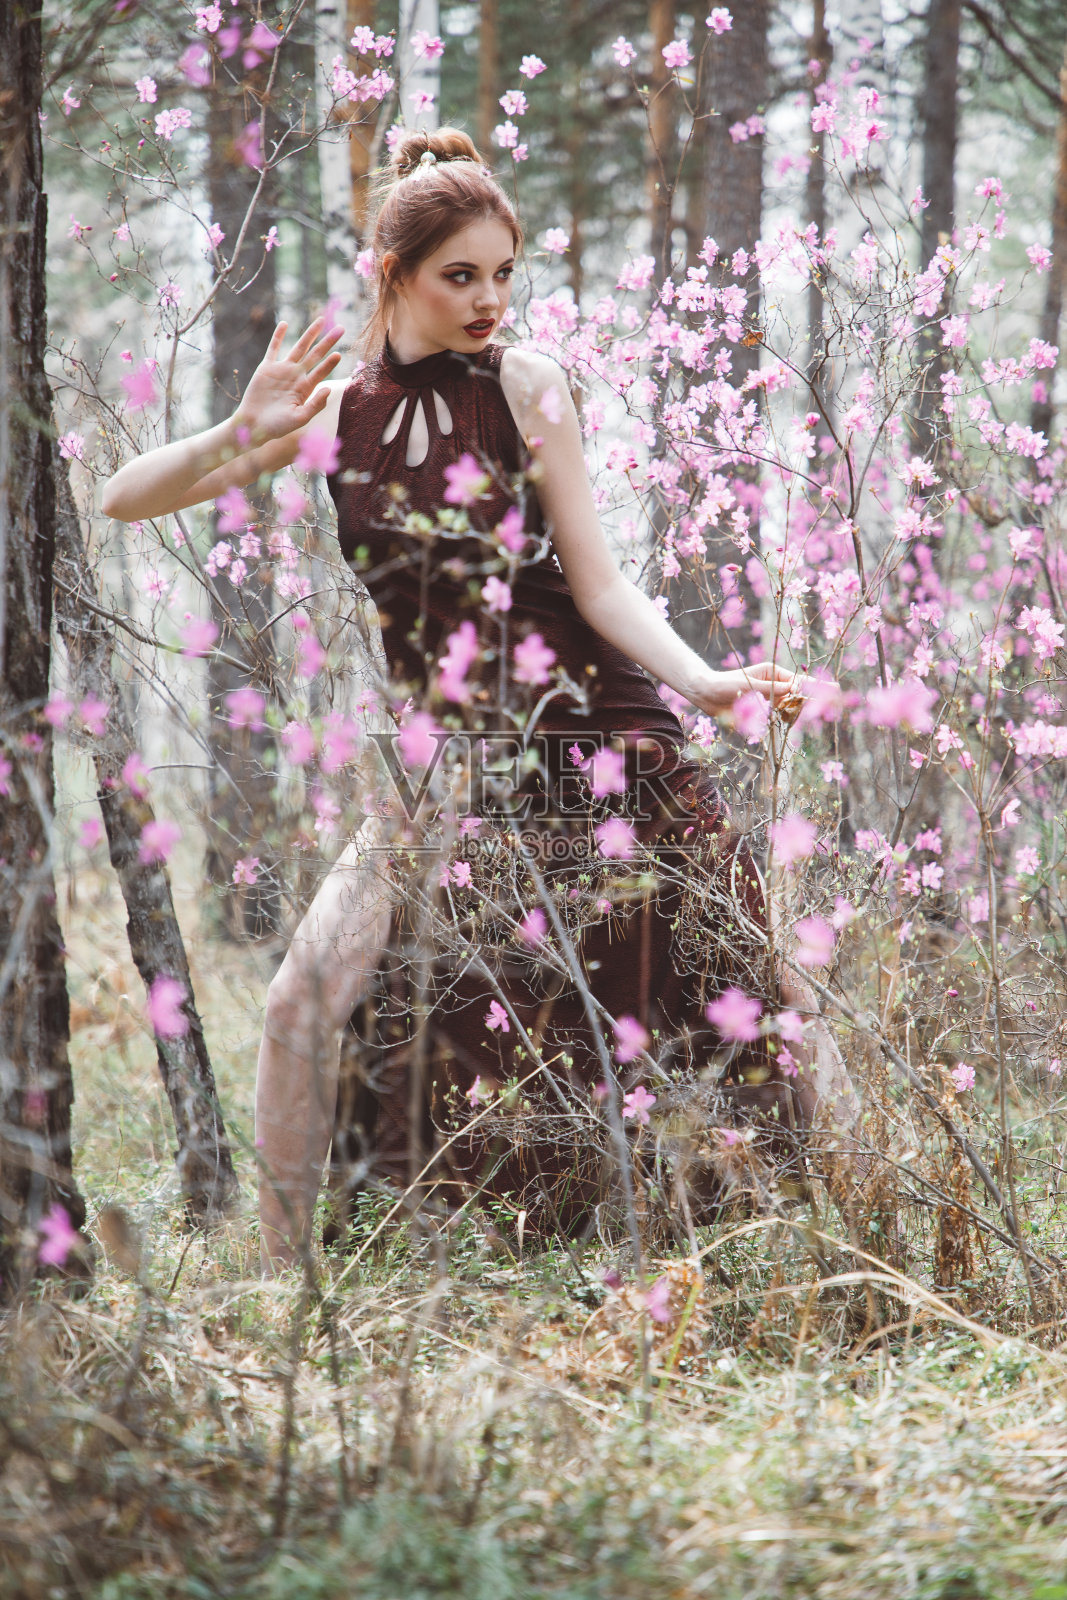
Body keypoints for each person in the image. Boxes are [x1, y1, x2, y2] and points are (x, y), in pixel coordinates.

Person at [103, 128, 862, 1274]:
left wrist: (702, 682)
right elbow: (119, 498)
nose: (488, 299)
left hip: (595, 734)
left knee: (744, 973)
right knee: (304, 993)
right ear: (390, 271)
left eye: (504, 272)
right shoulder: (333, 411)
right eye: (461, 274)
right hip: (452, 764)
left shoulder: (527, 387)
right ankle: (280, 1282)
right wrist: (234, 430)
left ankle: (857, 1239)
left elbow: (598, 582)